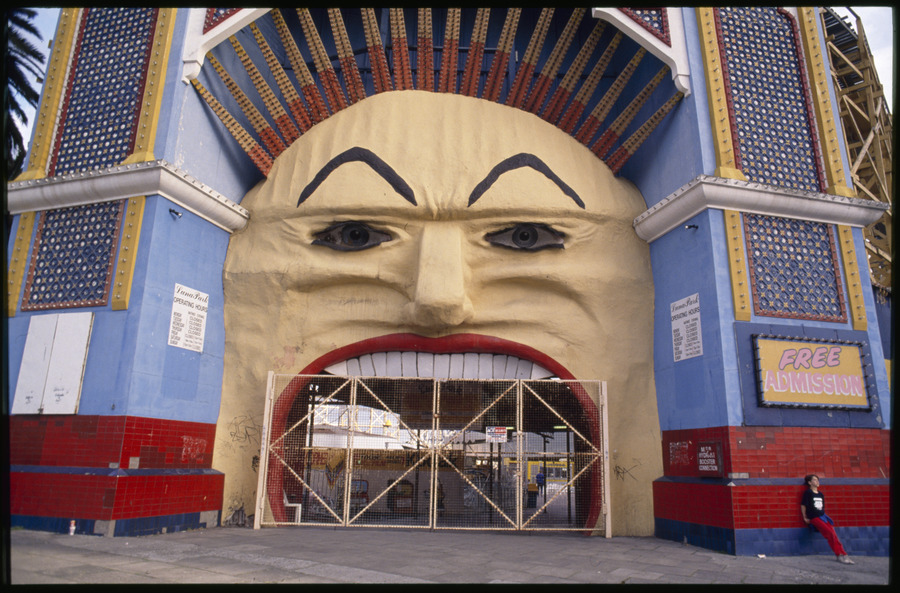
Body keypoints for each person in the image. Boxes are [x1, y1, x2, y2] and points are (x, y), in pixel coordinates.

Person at [800, 474, 853, 564]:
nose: (817, 481)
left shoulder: (820, 494)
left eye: (817, 480)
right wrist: (805, 517)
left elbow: (822, 507)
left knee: (834, 534)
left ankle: (844, 554)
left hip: (823, 516)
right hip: (814, 517)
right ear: (809, 482)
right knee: (830, 534)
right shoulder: (808, 493)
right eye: (815, 480)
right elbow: (803, 505)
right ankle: (839, 555)